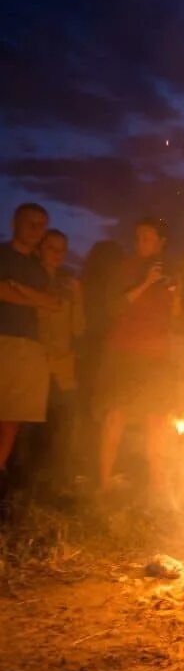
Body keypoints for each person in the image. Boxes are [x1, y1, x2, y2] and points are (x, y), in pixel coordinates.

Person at [96, 217, 182, 498]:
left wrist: (175, 292)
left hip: (157, 356)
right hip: (125, 352)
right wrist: (146, 282)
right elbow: (113, 308)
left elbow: (175, 317)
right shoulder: (126, 268)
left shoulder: (168, 273)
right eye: (138, 237)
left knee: (156, 419)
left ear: (161, 243)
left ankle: (157, 486)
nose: (140, 243)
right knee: (116, 415)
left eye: (146, 238)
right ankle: (104, 483)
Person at [0, 203, 59, 510]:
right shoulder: (3, 255)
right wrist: (25, 295)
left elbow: (52, 303)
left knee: (13, 417)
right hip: (3, 339)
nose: (36, 231)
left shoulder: (37, 269)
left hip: (28, 345)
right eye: (31, 224)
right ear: (16, 222)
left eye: (41, 225)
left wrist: (20, 288)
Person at [35, 229, 85, 486]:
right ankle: (25, 481)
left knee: (63, 424)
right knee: (28, 425)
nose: (57, 254)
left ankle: (58, 481)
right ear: (40, 248)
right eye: (51, 248)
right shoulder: (30, 280)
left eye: (62, 250)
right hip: (33, 364)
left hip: (63, 367)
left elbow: (78, 328)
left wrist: (77, 296)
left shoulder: (68, 285)